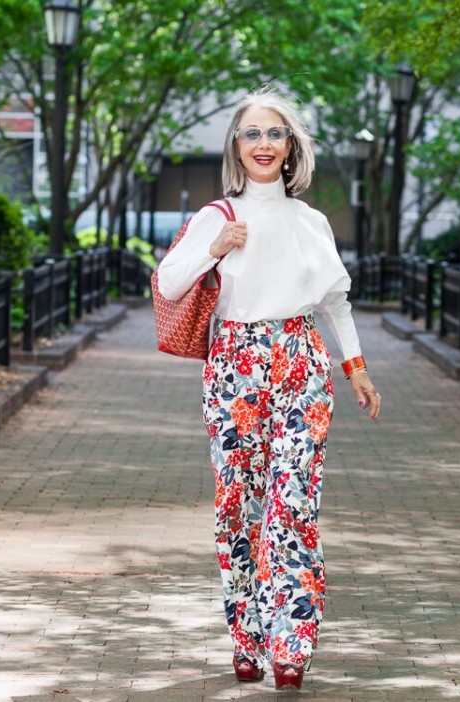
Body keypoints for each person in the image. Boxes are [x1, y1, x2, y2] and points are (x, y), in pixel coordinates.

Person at [156, 87, 381, 691]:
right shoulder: (216, 216)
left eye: (274, 134)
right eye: (251, 133)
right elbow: (169, 285)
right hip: (234, 364)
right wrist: (214, 248)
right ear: (237, 144)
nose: (263, 144)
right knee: (239, 504)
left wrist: (356, 367)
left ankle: (292, 643)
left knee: (293, 502)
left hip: (300, 362)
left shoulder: (311, 222)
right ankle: (247, 636)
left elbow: (336, 299)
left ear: (290, 147)